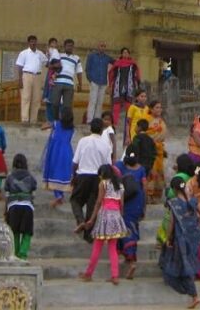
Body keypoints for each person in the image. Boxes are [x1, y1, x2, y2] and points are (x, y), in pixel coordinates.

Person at [76, 163, 127, 283]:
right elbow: (122, 205)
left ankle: (89, 274)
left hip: (105, 216)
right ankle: (115, 276)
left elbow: (98, 202)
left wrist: (92, 219)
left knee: (97, 246)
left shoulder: (103, 183)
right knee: (112, 248)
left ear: (102, 174)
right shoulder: (120, 185)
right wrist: (120, 218)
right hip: (116, 216)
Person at [160, 175, 200, 308]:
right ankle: (193, 295)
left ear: (174, 189)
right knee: (186, 265)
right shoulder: (193, 201)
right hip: (193, 240)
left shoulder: (174, 203)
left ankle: (194, 295)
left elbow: (171, 223)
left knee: (183, 267)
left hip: (180, 240)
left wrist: (167, 238)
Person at [71, 117, 112, 243]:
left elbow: (75, 162)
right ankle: (88, 235)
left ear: (91, 128)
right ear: (102, 130)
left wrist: (73, 176)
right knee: (92, 204)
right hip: (98, 177)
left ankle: (80, 220)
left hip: (83, 175)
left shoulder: (83, 141)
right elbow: (108, 165)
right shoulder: (106, 144)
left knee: (75, 200)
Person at [115, 150, 147, 279]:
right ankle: (129, 258)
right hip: (138, 203)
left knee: (126, 230)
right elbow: (144, 187)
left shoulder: (121, 167)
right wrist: (144, 206)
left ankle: (131, 262)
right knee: (132, 228)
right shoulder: (142, 169)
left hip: (126, 203)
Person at [4, 153, 38, 260]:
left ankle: (15, 253)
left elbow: (7, 192)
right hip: (27, 206)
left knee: (14, 231)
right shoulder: (30, 177)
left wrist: (5, 211)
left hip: (13, 206)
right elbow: (34, 187)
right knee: (27, 232)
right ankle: (23, 254)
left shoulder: (10, 177)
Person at [41, 109, 75, 207]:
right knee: (63, 172)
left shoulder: (56, 124)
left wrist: (50, 123)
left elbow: (43, 127)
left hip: (55, 150)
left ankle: (58, 196)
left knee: (54, 170)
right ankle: (60, 194)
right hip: (67, 150)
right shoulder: (72, 128)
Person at [108, 48, 141, 135]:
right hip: (117, 87)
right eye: (124, 52)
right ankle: (114, 125)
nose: (125, 54)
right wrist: (110, 85)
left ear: (129, 54)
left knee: (129, 107)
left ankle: (129, 126)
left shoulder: (133, 64)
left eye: (127, 52)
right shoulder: (117, 64)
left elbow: (137, 74)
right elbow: (111, 74)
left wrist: (138, 84)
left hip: (129, 87)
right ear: (121, 54)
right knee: (116, 106)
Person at [14, 35, 46, 125]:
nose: (33, 43)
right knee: (26, 97)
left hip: (37, 76)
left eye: (35, 41)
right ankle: (25, 119)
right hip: (26, 75)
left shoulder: (40, 54)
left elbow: (47, 63)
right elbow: (20, 67)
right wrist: (20, 80)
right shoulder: (23, 53)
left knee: (36, 99)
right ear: (28, 43)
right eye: (31, 41)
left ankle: (33, 120)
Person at [50, 38, 83, 122]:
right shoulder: (59, 55)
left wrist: (80, 84)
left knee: (67, 106)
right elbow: (50, 65)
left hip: (69, 84)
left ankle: (65, 122)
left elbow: (79, 72)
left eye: (71, 46)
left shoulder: (76, 58)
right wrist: (55, 66)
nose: (70, 47)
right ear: (64, 46)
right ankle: (56, 120)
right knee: (54, 103)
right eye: (68, 46)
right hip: (58, 82)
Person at [84, 41, 114, 123]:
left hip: (103, 82)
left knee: (100, 102)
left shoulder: (107, 57)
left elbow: (116, 62)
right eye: (101, 46)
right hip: (94, 80)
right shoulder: (92, 56)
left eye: (104, 46)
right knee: (93, 101)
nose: (102, 47)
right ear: (98, 47)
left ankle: (97, 119)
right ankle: (90, 120)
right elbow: (87, 68)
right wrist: (90, 79)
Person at [146, 100, 168, 203]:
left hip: (159, 150)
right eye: (157, 107)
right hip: (150, 151)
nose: (159, 109)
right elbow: (146, 134)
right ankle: (149, 196)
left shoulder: (161, 120)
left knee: (159, 172)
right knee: (152, 172)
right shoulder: (147, 120)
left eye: (160, 107)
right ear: (151, 109)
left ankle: (157, 196)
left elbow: (162, 135)